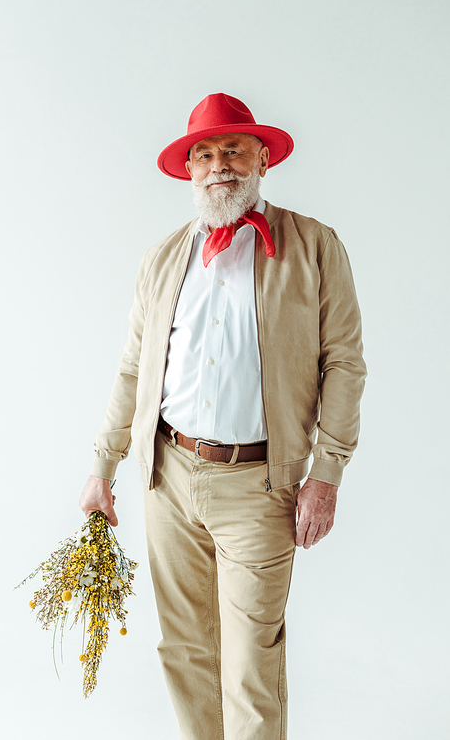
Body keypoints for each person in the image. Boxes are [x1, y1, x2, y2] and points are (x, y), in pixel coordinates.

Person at [79, 93, 367, 740]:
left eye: (234, 149)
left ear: (262, 157)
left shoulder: (314, 245)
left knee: (249, 663)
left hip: (258, 484)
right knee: (185, 650)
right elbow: (133, 369)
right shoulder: (163, 258)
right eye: (204, 154)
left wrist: (325, 474)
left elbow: (344, 364)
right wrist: (104, 464)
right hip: (168, 476)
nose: (220, 165)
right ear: (189, 170)